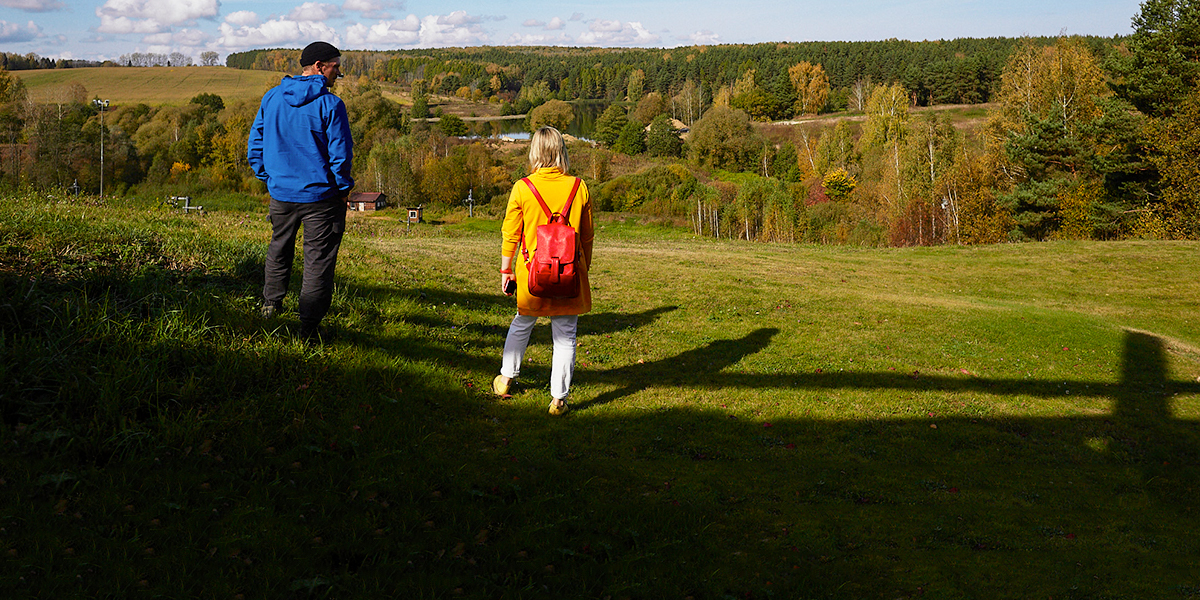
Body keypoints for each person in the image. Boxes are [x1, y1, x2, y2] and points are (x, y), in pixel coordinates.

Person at [248, 41, 354, 342]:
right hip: (322, 198)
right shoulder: (331, 105)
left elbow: (256, 144)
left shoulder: (272, 98)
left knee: (279, 248)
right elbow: (340, 155)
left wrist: (270, 177)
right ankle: (308, 327)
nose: (338, 73)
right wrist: (343, 189)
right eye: (335, 66)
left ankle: (271, 305)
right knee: (318, 261)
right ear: (319, 67)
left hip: (281, 194)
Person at [493, 127, 594, 415]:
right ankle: (558, 400)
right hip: (569, 273)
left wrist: (506, 270)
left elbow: (510, 234)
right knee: (566, 334)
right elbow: (587, 236)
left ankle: (506, 379)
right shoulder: (579, 187)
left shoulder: (523, 187)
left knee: (522, 323)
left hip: (531, 274)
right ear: (562, 150)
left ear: (535, 151)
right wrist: (583, 266)